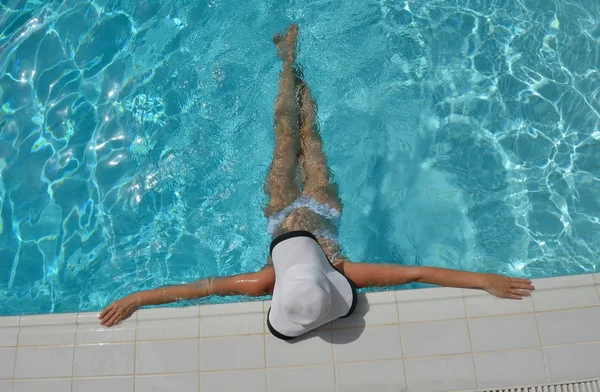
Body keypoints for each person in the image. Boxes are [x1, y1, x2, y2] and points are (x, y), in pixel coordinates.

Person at [99, 24, 535, 334]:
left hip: (282, 212)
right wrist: (482, 279)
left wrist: (138, 297)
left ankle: (288, 63)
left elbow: (198, 289)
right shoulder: (346, 271)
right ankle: (291, 63)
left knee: (288, 134)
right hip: (320, 204)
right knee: (307, 133)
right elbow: (417, 271)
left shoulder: (263, 282)